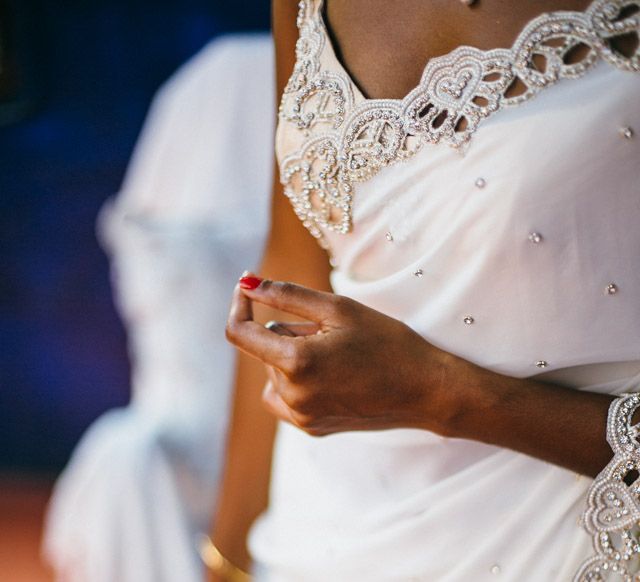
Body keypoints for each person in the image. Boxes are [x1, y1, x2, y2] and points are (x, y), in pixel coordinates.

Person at [209, 1, 640, 580]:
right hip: (325, 539)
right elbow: (293, 268)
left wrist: (438, 393)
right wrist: (228, 558)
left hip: (573, 536)